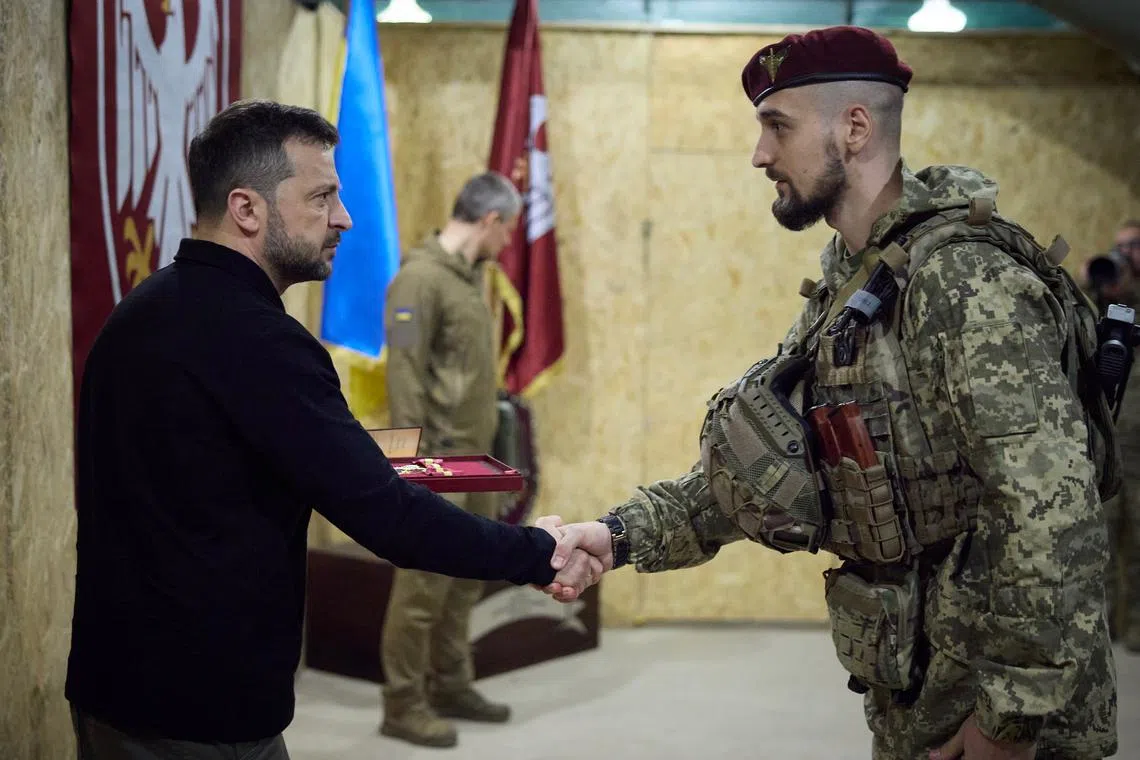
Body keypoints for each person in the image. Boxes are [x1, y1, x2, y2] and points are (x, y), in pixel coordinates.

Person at [540, 26, 1117, 760]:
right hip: (921, 697)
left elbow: (1053, 516)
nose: (759, 154)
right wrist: (617, 537)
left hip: (1005, 725)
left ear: (854, 128)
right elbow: (773, 469)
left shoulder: (964, 282)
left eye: (776, 126)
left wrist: (1008, 724)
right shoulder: (860, 277)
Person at [65, 100, 599, 760]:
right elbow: (388, 516)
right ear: (247, 209)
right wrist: (536, 551)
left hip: (121, 691)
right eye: (322, 196)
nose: (344, 217)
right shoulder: (263, 343)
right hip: (200, 713)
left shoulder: (142, 311)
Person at [378, 172, 522, 748]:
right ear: (488, 221)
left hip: (477, 461)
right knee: (421, 589)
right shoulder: (419, 280)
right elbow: (404, 383)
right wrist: (405, 472)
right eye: (507, 230)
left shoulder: (470, 279)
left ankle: (450, 684)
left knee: (465, 580)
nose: (508, 243)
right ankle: (403, 703)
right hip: (436, 467)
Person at [1097, 220, 1140, 651]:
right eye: (1120, 246)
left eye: (1134, 246)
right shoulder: (1103, 303)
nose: (1124, 254)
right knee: (1102, 548)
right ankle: (1104, 630)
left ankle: (1137, 629)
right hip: (1108, 452)